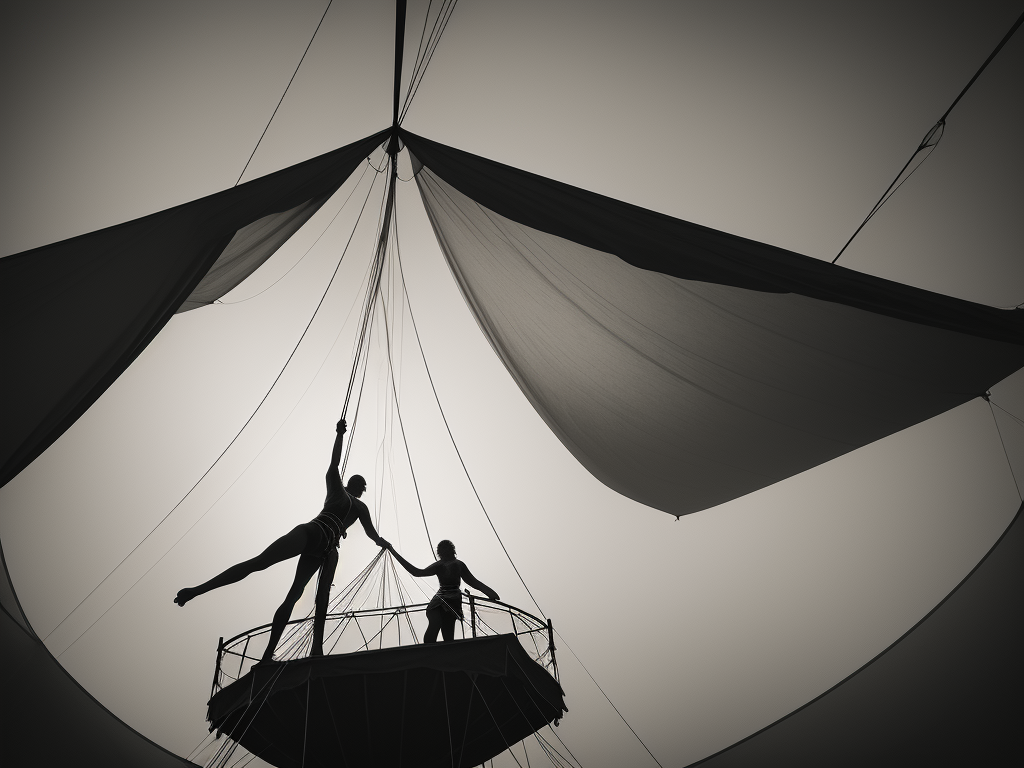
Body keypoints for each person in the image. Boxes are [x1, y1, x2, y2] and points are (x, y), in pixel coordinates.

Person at [173, 418, 388, 663]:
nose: (360, 489)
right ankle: (197, 590)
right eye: (359, 485)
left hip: (327, 548)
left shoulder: (360, 507)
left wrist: (384, 543)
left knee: (308, 596)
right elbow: (334, 463)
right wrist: (339, 435)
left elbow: (372, 535)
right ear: (351, 484)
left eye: (362, 487)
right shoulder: (338, 490)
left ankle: (306, 650)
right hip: (314, 532)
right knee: (260, 563)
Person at [387, 540, 499, 643]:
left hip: (453, 600)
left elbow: (473, 581)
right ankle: (427, 651)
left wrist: (490, 593)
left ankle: (445, 654)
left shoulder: (458, 564)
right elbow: (417, 572)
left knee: (448, 632)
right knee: (435, 623)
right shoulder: (440, 565)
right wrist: (393, 551)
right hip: (439, 601)